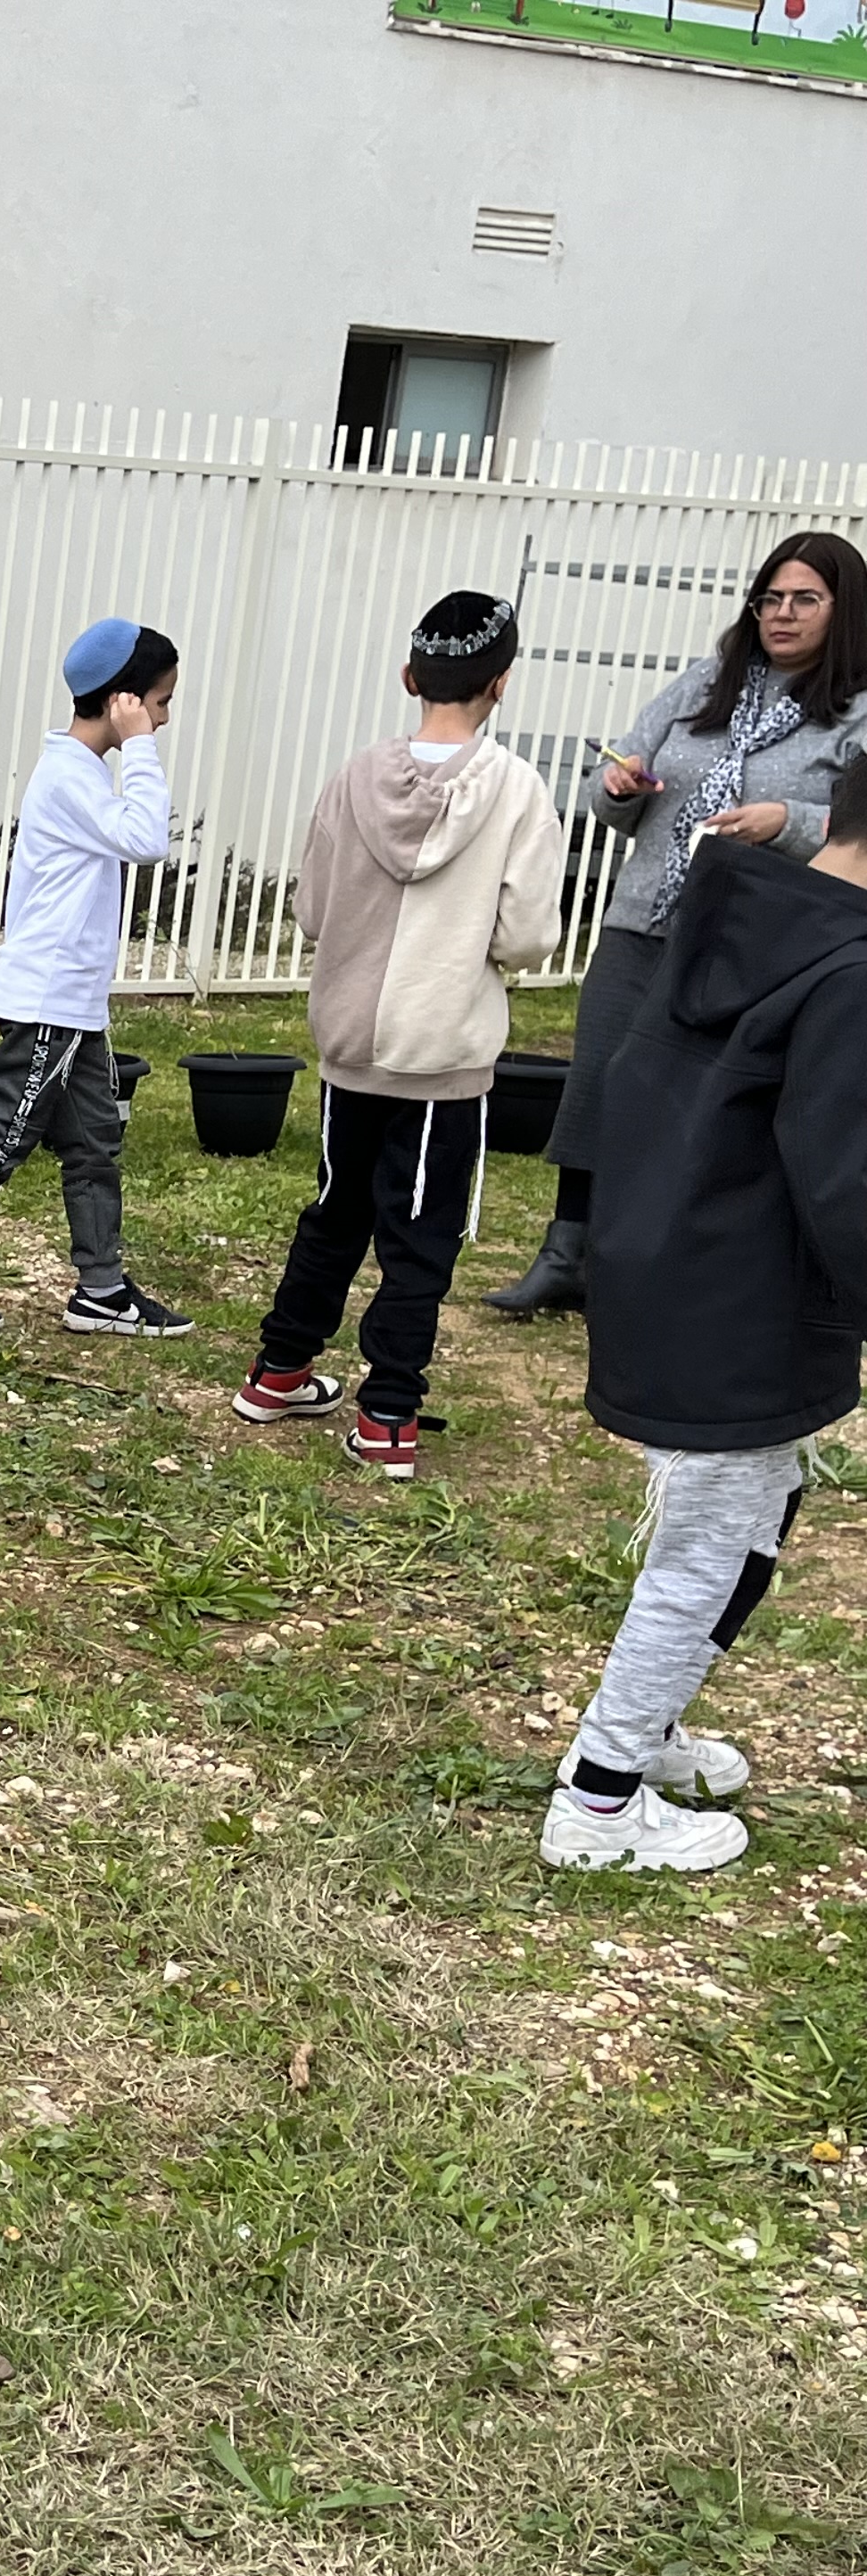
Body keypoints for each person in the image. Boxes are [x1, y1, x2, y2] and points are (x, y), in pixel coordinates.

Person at [538, 768, 867, 1872]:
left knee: (749, 1516)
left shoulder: (736, 921)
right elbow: (848, 1182)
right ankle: (599, 1797)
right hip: (747, 1301)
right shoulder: (849, 974)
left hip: (672, 1267)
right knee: (711, 1552)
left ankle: (656, 1728)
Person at [487, 528, 867, 1319]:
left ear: (844, 609)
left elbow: (857, 825)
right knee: (602, 1075)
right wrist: (621, 787)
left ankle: (669, 1264)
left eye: (805, 600)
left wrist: (787, 819)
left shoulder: (855, 711)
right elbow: (613, 787)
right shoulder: (705, 683)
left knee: (709, 1100)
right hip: (646, 917)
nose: (783, 616)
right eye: (772, 599)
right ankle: (569, 1253)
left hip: (759, 938)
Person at [236, 590, 563, 1477]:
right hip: (442, 1047)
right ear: (501, 684)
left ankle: (279, 1372)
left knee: (336, 1209)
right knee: (421, 1235)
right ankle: (386, 1415)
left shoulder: (352, 778)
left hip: (351, 1042)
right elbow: (530, 936)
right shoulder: (517, 791)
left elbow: (310, 907)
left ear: (411, 676)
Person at [0, 618, 193, 1338]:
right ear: (125, 701)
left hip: (76, 1002)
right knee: (6, 1134)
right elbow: (147, 838)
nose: (165, 717)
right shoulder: (68, 778)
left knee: (93, 1143)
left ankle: (102, 1291)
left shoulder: (82, 774)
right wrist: (140, 745)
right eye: (161, 702)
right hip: (49, 1000)